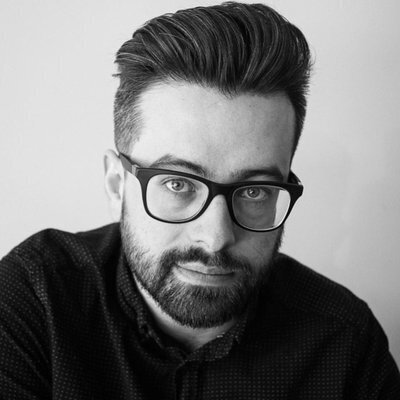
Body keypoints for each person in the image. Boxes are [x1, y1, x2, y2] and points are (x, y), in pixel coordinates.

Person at [1, 2, 399, 399]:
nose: (216, 238)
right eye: (178, 184)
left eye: (255, 191)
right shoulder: (34, 300)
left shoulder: (345, 344)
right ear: (116, 183)